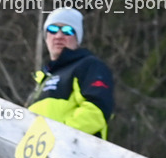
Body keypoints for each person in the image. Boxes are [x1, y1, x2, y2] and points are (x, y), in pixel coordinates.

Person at [27, 7, 115, 139]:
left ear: (77, 38)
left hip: (73, 153)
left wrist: (59, 138)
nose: (59, 36)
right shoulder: (42, 81)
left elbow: (97, 111)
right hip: (37, 156)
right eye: (53, 30)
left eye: (68, 31)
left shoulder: (88, 66)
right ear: (46, 37)